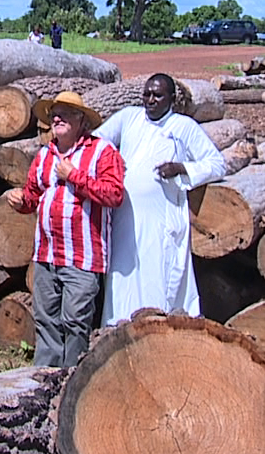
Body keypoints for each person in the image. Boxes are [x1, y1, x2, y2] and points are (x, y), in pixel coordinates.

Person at [94, 74, 226, 326]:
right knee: (122, 277)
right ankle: (115, 330)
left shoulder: (183, 126)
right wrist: (111, 163)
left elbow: (217, 164)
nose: (150, 100)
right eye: (147, 94)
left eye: (157, 95)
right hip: (125, 218)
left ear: (172, 99)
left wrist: (182, 168)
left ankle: (156, 333)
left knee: (158, 277)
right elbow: (97, 143)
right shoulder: (128, 117)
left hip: (162, 220)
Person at [7, 91, 124, 368]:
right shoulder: (45, 155)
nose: (56, 118)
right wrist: (22, 202)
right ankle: (43, 380)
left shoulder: (102, 152)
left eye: (64, 113)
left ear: (81, 120)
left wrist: (75, 176)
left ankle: (71, 381)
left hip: (82, 257)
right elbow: (34, 196)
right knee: (46, 320)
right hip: (47, 256)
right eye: (53, 114)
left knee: (75, 323)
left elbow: (114, 195)